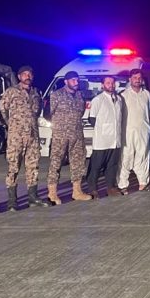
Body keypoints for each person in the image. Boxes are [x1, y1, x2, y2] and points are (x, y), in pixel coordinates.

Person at [0, 65, 50, 211]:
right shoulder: (11, 92)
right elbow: (3, 110)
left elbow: (38, 111)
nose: (28, 76)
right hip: (16, 136)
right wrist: (11, 126)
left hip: (32, 136)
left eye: (30, 74)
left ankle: (33, 197)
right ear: (19, 76)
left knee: (33, 166)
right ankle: (12, 200)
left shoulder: (36, 93)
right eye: (25, 74)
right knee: (13, 167)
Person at [45, 71, 93, 205]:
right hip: (61, 135)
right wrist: (60, 124)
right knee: (56, 162)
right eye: (73, 80)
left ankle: (77, 191)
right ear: (66, 81)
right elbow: (48, 113)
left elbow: (81, 112)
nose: (76, 83)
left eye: (77, 80)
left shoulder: (80, 96)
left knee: (78, 161)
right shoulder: (56, 95)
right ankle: (52, 193)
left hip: (77, 134)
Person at [86, 75, 124, 198]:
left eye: (112, 83)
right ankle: (92, 189)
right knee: (96, 166)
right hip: (102, 140)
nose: (111, 85)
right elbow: (91, 119)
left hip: (115, 139)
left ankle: (111, 187)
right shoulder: (98, 100)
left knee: (112, 165)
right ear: (102, 85)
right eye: (108, 83)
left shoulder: (119, 99)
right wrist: (103, 128)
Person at [118, 69, 150, 192]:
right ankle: (123, 185)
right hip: (127, 131)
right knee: (126, 157)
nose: (137, 80)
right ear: (130, 79)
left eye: (139, 78)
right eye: (134, 78)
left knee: (142, 155)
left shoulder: (147, 94)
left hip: (143, 130)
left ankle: (143, 182)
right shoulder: (123, 95)